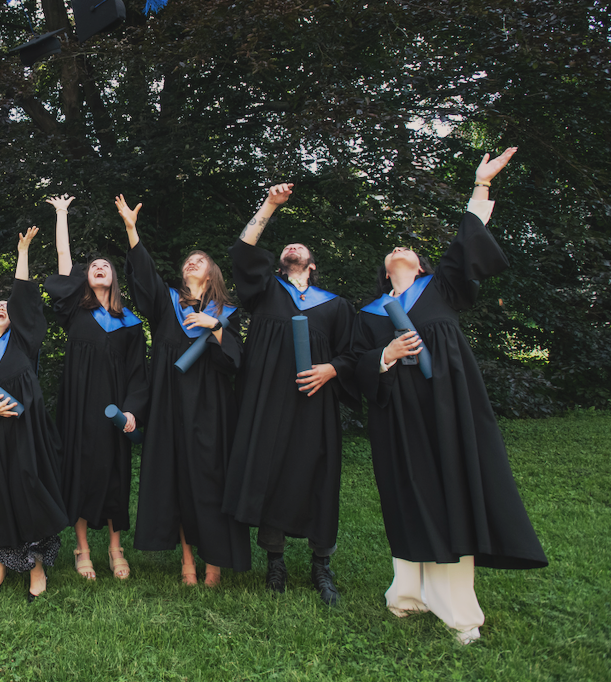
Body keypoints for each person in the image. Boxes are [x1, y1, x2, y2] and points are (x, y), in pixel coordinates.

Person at [352, 148, 547, 645]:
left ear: (419, 265)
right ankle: (407, 595)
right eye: (394, 250)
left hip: (446, 409)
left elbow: (467, 245)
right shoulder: (369, 315)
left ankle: (460, 612)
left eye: (410, 250)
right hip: (397, 416)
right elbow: (356, 365)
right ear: (385, 267)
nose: (402, 250)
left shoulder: (441, 290)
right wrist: (386, 355)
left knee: (450, 492)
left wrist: (480, 186)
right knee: (405, 494)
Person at [222, 183, 357, 605]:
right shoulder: (265, 293)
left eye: (300, 247)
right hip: (267, 400)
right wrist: (269, 205)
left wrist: (332, 368)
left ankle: (322, 564)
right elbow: (243, 252)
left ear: (312, 265)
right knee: (271, 472)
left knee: (317, 476)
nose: (292, 248)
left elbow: (355, 354)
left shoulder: (336, 306)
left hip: (315, 405)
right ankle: (275, 561)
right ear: (280, 265)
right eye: (287, 247)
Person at [117, 195, 250, 586]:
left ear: (212, 274)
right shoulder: (167, 304)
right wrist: (131, 228)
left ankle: (214, 561)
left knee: (208, 480)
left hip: (210, 408)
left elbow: (234, 361)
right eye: (188, 260)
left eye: (200, 260)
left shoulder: (226, 314)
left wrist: (214, 328)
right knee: (175, 478)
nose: (192, 262)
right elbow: (143, 275)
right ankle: (187, 561)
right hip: (170, 403)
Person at [0, 227, 69, 601]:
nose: (0, 308)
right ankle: (2, 559)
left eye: (5, 307)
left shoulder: (22, 343)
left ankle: (35, 564)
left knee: (26, 488)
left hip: (26, 432)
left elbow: (24, 301)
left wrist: (22, 253)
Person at [44, 195, 148, 581]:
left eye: (105, 266)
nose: (99, 268)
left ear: (114, 277)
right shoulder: (77, 312)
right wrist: (61, 214)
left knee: (117, 474)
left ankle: (116, 547)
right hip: (80, 405)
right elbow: (63, 258)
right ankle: (82, 547)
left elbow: (140, 373)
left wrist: (134, 410)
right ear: (85, 279)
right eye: (93, 267)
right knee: (83, 471)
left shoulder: (132, 324)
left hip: (116, 409)